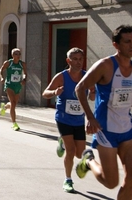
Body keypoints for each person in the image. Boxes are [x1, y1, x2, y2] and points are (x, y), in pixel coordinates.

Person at [75, 24, 132, 199]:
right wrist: (90, 118)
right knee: (111, 182)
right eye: (127, 42)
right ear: (116, 44)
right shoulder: (105, 65)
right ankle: (89, 160)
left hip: (127, 128)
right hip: (105, 129)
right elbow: (80, 88)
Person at [42, 47, 95, 193]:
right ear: (68, 61)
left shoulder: (87, 76)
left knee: (79, 153)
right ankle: (68, 180)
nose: (79, 62)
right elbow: (45, 93)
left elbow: (92, 98)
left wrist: (92, 92)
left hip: (78, 120)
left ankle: (62, 144)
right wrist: (55, 92)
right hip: (63, 118)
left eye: (81, 59)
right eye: (75, 59)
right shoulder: (61, 76)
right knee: (71, 151)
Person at [0, 48, 27, 131]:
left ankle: (4, 107)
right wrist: (1, 78)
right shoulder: (8, 63)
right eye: (16, 54)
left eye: (19, 54)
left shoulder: (22, 64)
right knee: (13, 103)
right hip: (9, 85)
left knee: (14, 103)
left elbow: (25, 73)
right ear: (12, 55)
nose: (18, 56)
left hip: (18, 85)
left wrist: (24, 79)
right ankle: (14, 123)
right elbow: (1, 70)